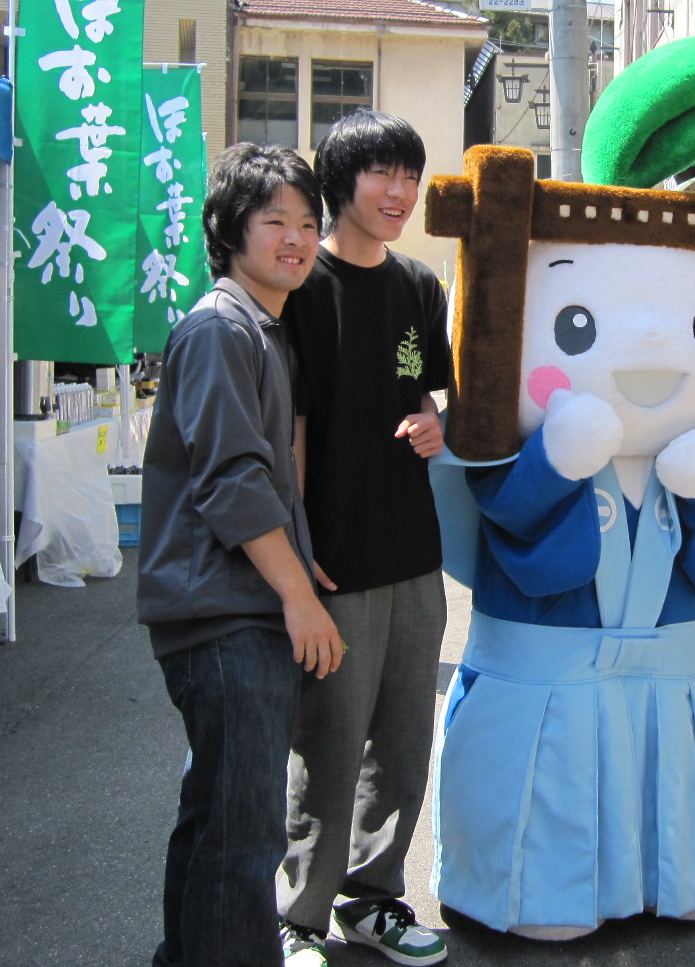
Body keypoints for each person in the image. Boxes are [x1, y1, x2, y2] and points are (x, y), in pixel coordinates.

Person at [138, 143, 344, 967]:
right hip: (226, 613)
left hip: (224, 607)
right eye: (274, 221)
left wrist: (297, 557)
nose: (296, 239)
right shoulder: (224, 329)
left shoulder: (257, 326)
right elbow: (231, 480)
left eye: (307, 223)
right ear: (229, 230)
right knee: (245, 832)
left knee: (216, 816)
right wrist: (297, 594)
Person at [275, 112, 451, 967]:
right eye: (382, 173)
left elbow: (428, 394)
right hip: (334, 556)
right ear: (339, 183)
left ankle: (374, 900)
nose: (399, 192)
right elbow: (293, 427)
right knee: (328, 743)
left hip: (414, 550)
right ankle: (299, 917)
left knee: (403, 743)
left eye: (409, 176)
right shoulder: (303, 286)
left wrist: (433, 421)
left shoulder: (418, 285)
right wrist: (296, 546)